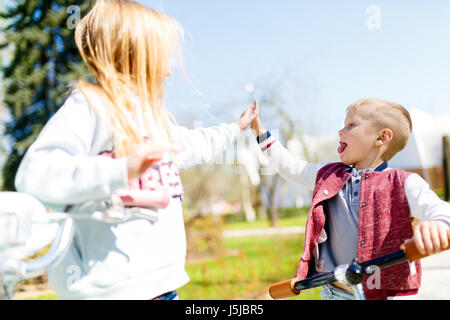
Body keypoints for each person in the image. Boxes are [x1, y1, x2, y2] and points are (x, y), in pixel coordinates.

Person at [14, 0, 256, 300]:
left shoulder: (153, 118)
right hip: (112, 292)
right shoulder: (90, 106)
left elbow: (193, 144)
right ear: (133, 55)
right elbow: (36, 174)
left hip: (163, 288)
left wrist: (235, 129)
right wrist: (120, 170)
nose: (169, 72)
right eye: (162, 57)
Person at [250, 98, 450, 300]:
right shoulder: (329, 176)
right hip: (335, 292)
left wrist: (440, 224)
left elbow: (438, 209)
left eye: (351, 125)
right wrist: (259, 132)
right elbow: (291, 166)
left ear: (381, 137)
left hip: (386, 295)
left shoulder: (403, 182)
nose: (341, 131)